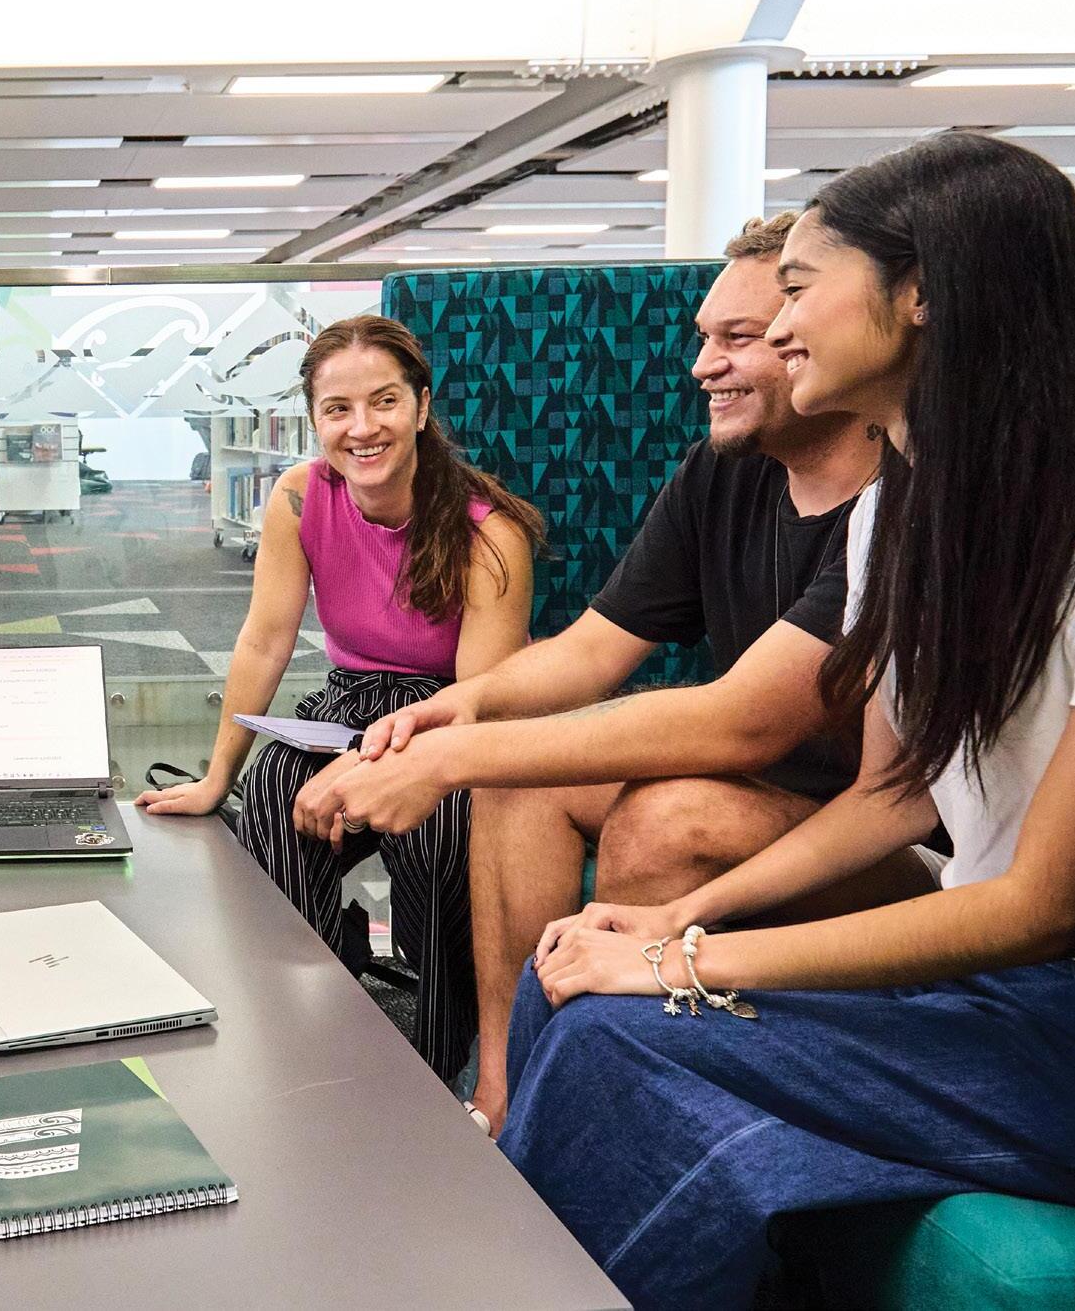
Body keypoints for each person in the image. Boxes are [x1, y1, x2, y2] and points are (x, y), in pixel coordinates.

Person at [496, 133, 1075, 1310]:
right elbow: (893, 796)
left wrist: (682, 959)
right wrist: (672, 916)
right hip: (996, 997)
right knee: (565, 977)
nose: (778, 331)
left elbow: (1047, 908)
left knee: (619, 1030)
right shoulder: (901, 512)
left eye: (797, 290)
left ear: (920, 291)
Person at [323, 213, 935, 1133]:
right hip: (764, 797)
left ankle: (605, 1117)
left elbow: (743, 722)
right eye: (705, 338)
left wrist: (448, 758)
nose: (703, 366)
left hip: (892, 849)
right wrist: (461, 711)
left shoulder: (905, 504)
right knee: (520, 770)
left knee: (665, 816)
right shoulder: (722, 472)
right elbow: (592, 649)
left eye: (741, 337)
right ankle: (505, 1095)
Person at [138, 314, 542, 1081]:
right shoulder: (299, 496)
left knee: (440, 833)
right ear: (314, 418)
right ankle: (308, 1018)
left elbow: (479, 705)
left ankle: (442, 1061)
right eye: (338, 408)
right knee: (271, 793)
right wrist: (219, 776)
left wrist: (379, 763)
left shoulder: (490, 534)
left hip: (448, 716)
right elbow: (265, 640)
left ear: (422, 406)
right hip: (348, 702)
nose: (362, 427)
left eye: (384, 401)